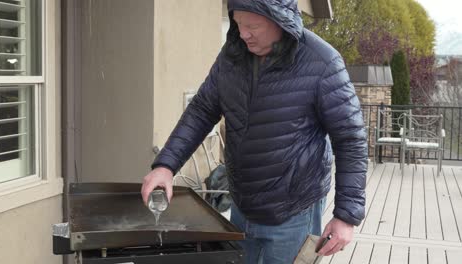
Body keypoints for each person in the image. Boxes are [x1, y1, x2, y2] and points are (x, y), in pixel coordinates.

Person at [141, 0, 367, 263]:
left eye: (252, 26)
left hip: (293, 213)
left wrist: (346, 216)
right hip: (241, 206)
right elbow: (202, 109)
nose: (243, 33)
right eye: (237, 24)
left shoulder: (323, 62)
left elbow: (350, 140)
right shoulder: (232, 54)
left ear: (279, 19)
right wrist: (166, 165)